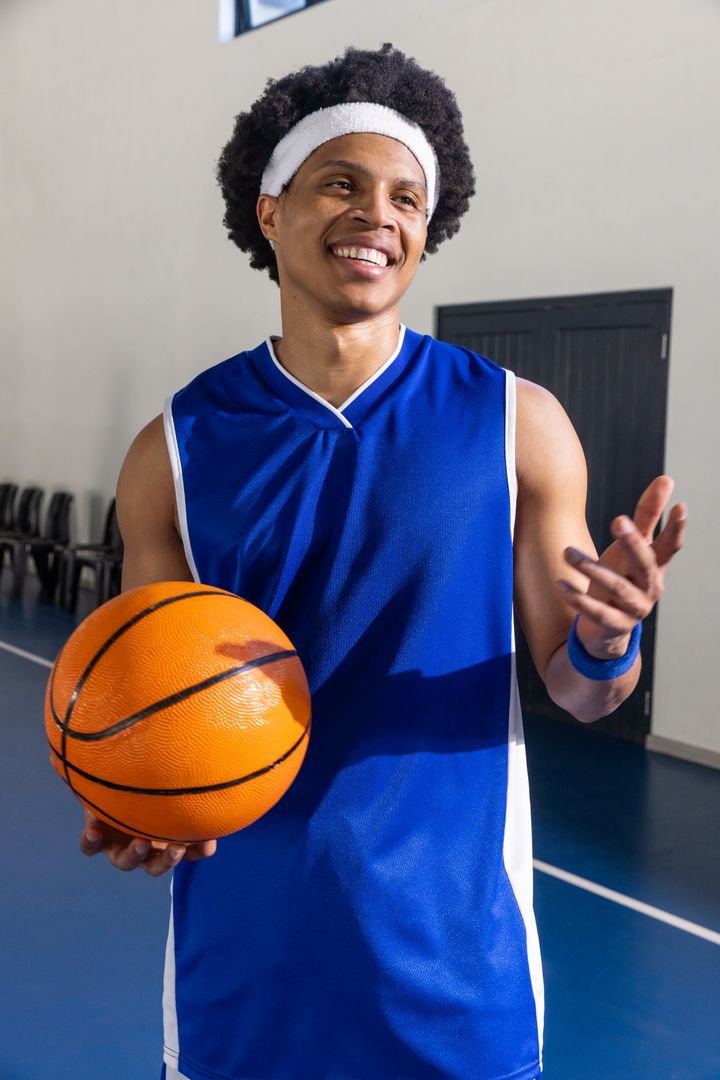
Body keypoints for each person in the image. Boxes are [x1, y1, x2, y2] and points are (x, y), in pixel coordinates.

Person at [78, 44, 687, 1080]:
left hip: (457, 984)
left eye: (407, 198)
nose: (378, 215)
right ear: (270, 211)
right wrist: (142, 802)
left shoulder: (517, 424)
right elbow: (155, 698)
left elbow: (586, 695)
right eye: (341, 184)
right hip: (244, 976)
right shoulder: (173, 449)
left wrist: (607, 639)